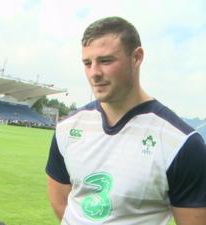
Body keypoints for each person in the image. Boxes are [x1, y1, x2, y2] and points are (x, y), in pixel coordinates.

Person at [45, 16, 206, 225]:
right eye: (87, 63)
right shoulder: (67, 128)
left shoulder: (181, 143)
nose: (94, 73)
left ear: (136, 58)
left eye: (106, 61)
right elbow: (60, 203)